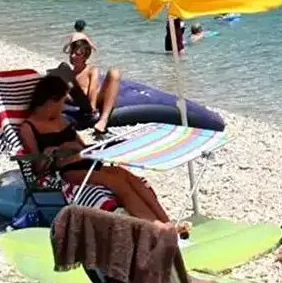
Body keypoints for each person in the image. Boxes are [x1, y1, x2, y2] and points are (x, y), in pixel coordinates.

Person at [15, 72, 190, 236]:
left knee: (129, 177)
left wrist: (74, 146)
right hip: (66, 170)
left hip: (86, 161)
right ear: (50, 101)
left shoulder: (61, 120)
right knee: (118, 183)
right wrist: (50, 152)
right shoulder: (29, 127)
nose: (62, 107)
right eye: (61, 103)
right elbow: (37, 167)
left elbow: (84, 147)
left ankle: (168, 222)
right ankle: (157, 228)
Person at [58, 26, 123, 133]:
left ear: (85, 57)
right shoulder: (69, 74)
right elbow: (68, 96)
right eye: (71, 53)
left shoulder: (91, 70)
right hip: (81, 102)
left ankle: (103, 120)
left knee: (114, 72)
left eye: (77, 54)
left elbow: (93, 88)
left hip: (96, 97)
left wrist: (92, 105)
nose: (73, 56)